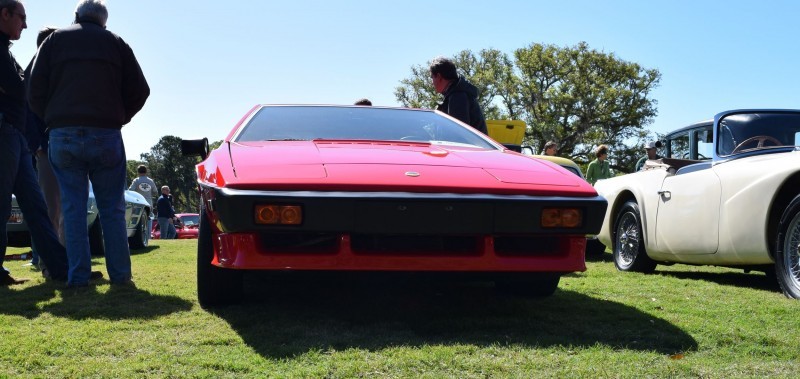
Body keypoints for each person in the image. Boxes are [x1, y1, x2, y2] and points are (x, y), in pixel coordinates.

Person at [28, 0, 150, 287]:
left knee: (72, 208)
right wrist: (119, 117)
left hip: (63, 133)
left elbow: (33, 89)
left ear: (75, 16)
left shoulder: (55, 41)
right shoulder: (116, 42)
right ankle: (120, 276)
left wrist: (52, 119)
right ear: (103, 22)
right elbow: (141, 90)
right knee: (112, 208)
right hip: (106, 133)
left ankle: (78, 276)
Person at [0, 0, 70, 285]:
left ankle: (61, 269)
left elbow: (18, 87)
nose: (25, 25)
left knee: (37, 207)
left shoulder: (6, 51)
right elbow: (19, 89)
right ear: (4, 14)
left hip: (15, 137)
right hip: (5, 133)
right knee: (3, 205)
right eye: (21, 18)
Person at [24, 26, 58, 270]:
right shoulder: (35, 70)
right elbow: (28, 112)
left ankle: (54, 261)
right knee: (49, 208)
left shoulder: (51, 69)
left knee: (55, 208)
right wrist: (37, 145)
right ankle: (46, 262)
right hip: (45, 148)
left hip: (52, 145)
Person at [429, 56, 488, 134]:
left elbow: (458, 134)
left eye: (432, 77)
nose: (432, 82)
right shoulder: (457, 93)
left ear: (439, 77)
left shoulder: (457, 96)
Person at [128, 165, 157, 244]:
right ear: (146, 171)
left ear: (138, 172)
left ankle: (141, 238)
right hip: (149, 202)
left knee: (140, 221)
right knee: (149, 219)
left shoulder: (136, 180)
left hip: (139, 202)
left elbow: (131, 190)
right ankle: (149, 237)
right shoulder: (150, 181)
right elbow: (155, 191)